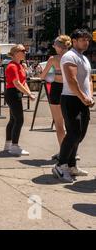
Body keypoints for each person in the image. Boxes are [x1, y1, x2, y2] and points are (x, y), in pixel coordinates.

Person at [52, 29, 94, 183]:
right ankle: (60, 165)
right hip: (71, 99)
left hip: (83, 100)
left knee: (80, 135)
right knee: (73, 133)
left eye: (87, 40)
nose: (86, 42)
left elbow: (88, 79)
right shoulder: (70, 56)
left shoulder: (83, 58)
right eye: (83, 39)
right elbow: (71, 80)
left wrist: (89, 96)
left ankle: (71, 165)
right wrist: (83, 97)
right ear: (74, 41)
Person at [39, 35, 72, 161]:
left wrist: (40, 71)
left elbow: (43, 76)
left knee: (59, 124)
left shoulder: (53, 59)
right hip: (70, 89)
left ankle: (63, 152)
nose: (53, 47)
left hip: (57, 90)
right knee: (71, 124)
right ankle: (73, 152)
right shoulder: (73, 58)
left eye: (54, 45)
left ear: (59, 47)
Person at [3, 45, 36, 156]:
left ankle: (8, 144)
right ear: (16, 52)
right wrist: (29, 94)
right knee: (19, 120)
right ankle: (14, 146)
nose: (25, 52)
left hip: (15, 93)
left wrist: (29, 93)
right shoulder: (12, 66)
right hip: (13, 93)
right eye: (23, 50)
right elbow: (17, 83)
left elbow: (23, 82)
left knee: (13, 119)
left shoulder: (20, 65)